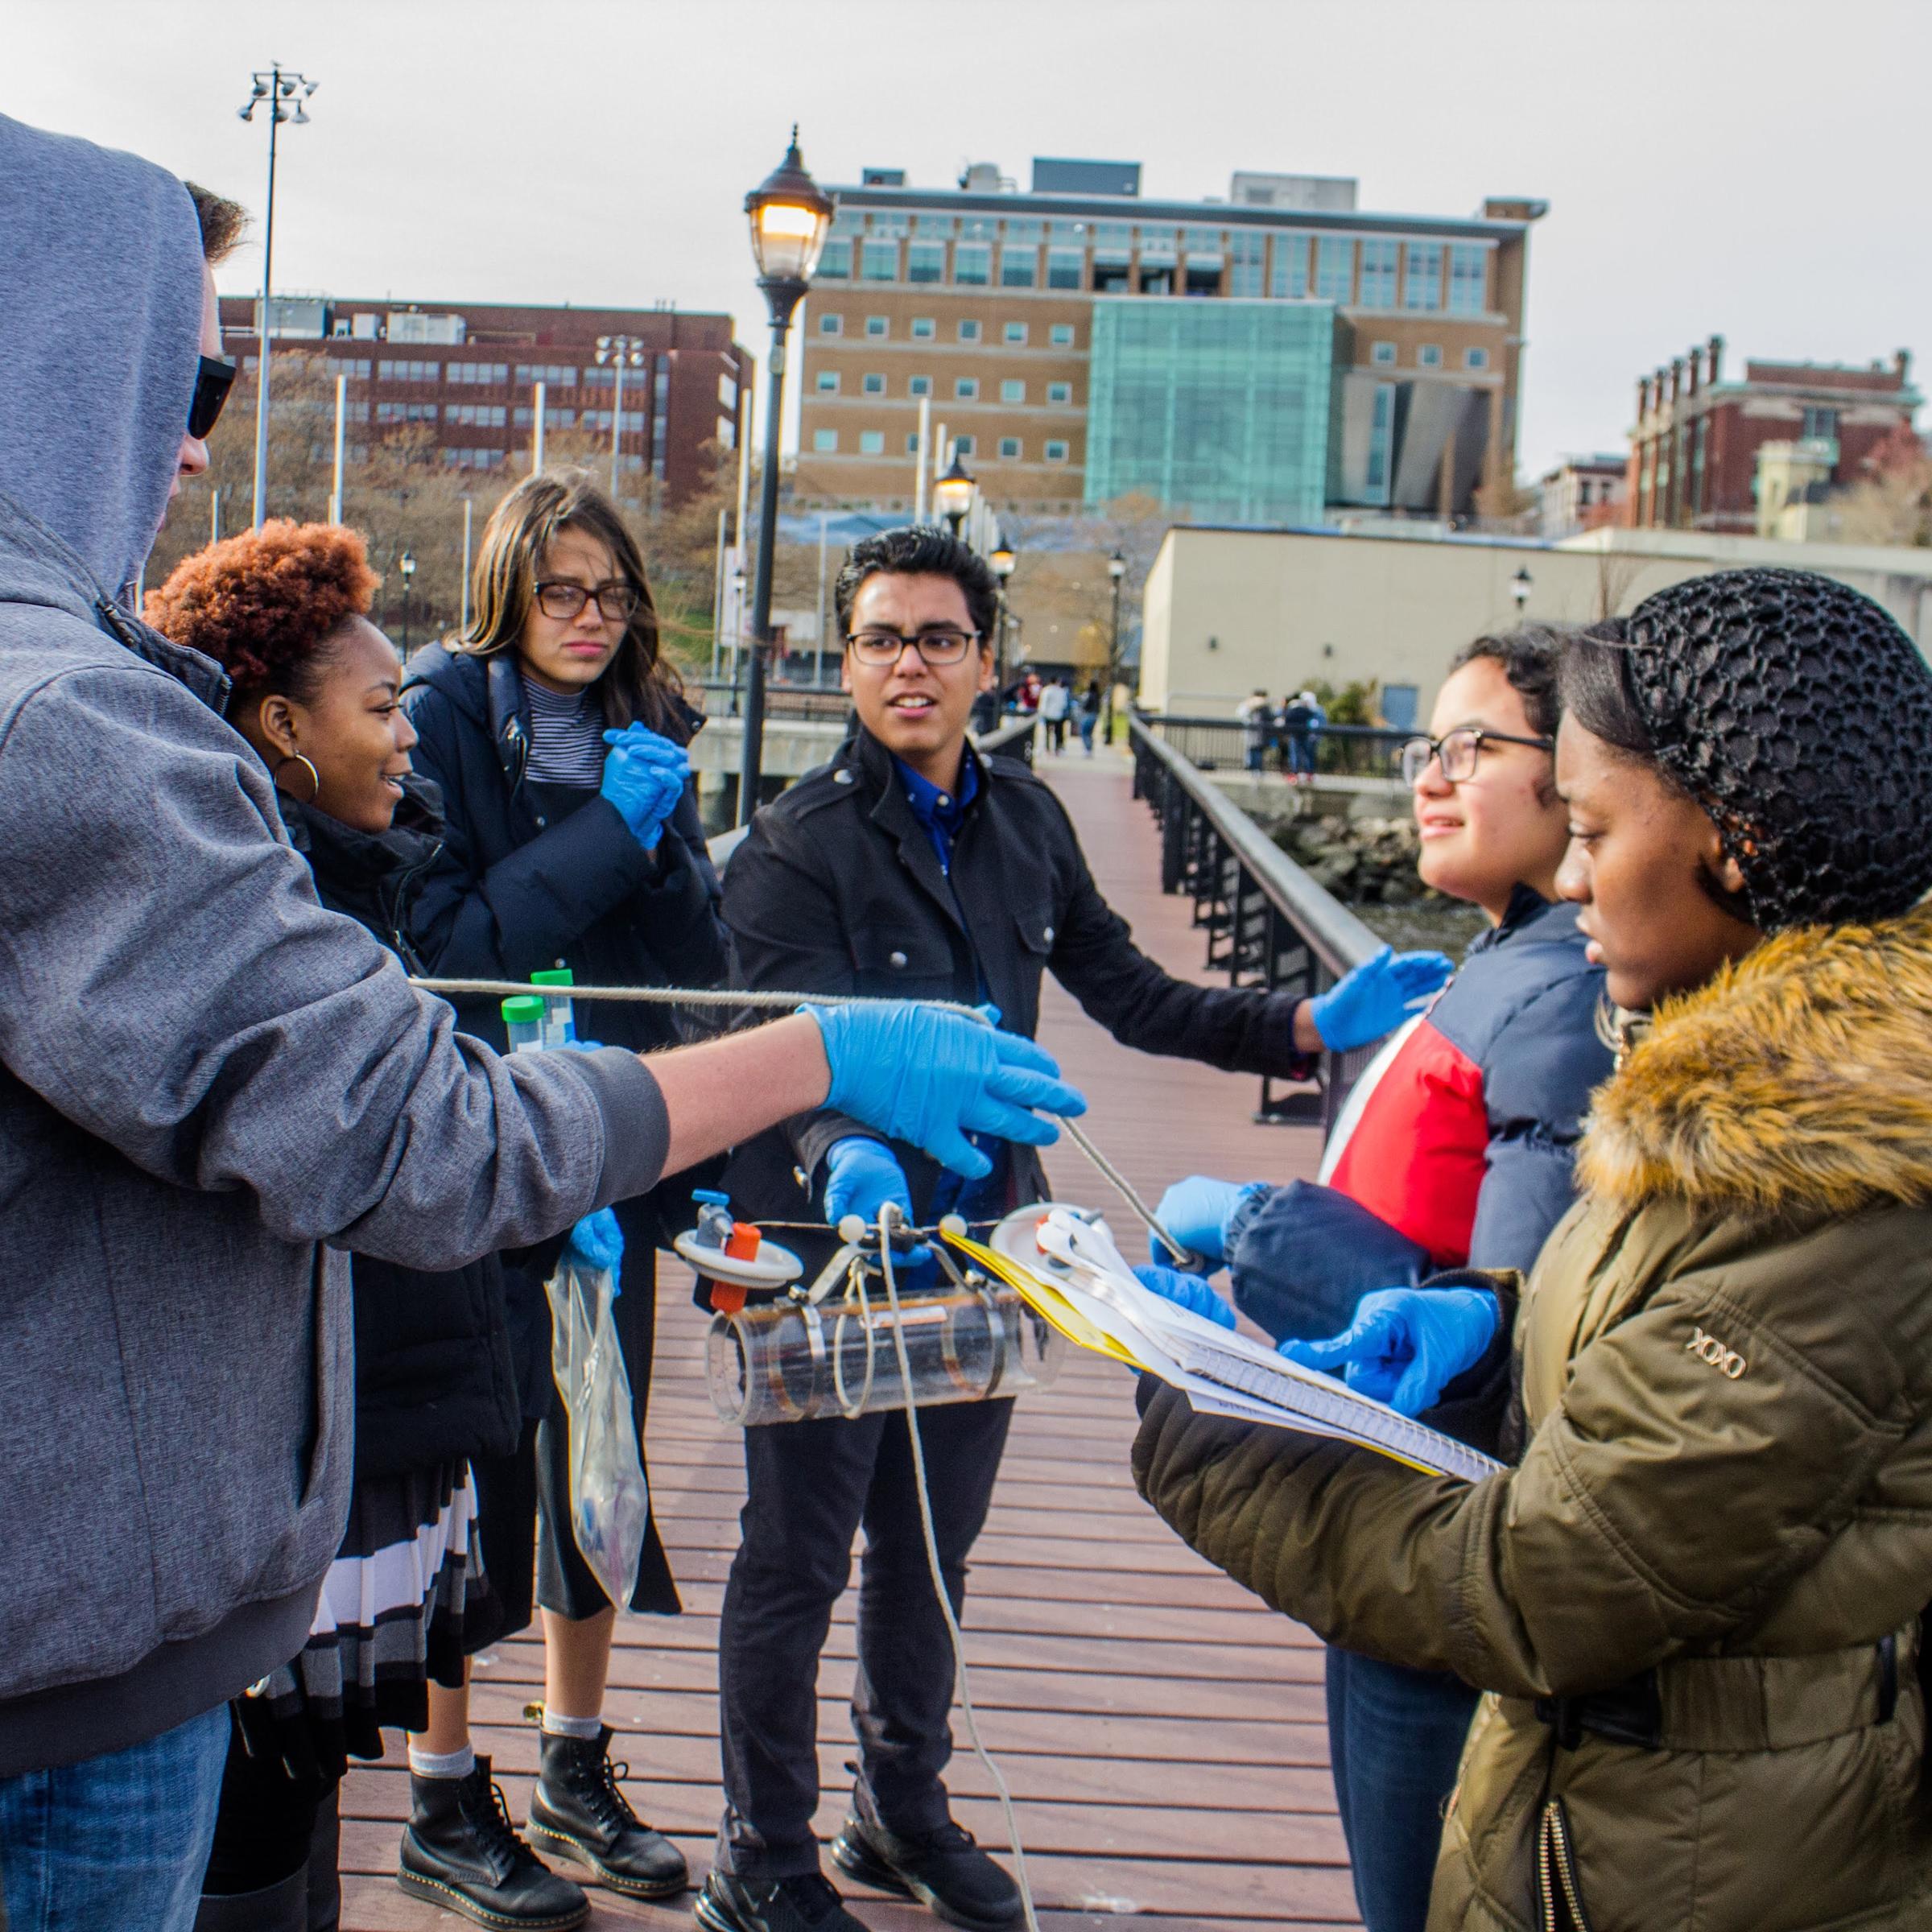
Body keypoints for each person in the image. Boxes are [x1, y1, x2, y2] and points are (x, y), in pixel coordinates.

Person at [0, 118, 1084, 1932]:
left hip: (527, 1225)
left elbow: (679, 951)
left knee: (590, 1489)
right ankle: (482, 1796)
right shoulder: (73, 723)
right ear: (57, 350)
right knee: (481, 1514)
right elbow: (406, 1084)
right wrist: (822, 1058)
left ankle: (593, 1763)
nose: (194, 439)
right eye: (190, 380)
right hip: (78, 1655)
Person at [1134, 568, 1932, 1932]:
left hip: (1709, 1860)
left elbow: (1542, 1582)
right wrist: (1496, 1322)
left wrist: (1206, 1422)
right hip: (1645, 1825)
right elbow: (1682, 1350)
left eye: (1595, 828)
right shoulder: (1756, 1102)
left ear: (1737, 840)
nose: (1569, 877)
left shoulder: (1832, 1190)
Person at [698, 526, 1455, 1932]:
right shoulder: (791, 847)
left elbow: (1133, 993)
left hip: (985, 1239)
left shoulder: (1032, 826)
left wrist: (1303, 1024)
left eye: (938, 637)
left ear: (987, 661)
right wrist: (846, 1149)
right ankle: (762, 1853)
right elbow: (774, 1051)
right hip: (822, 1244)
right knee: (795, 1557)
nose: (909, 664)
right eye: (880, 638)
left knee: (933, 1545)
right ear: (846, 661)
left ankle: (898, 1810)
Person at [1137, 626, 1611, 1932]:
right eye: (1425, 748)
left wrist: (1253, 1227)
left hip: (1447, 1538)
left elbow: (1515, 1331)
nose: (1431, 777)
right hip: (1393, 1505)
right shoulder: (1508, 963)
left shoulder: (1562, 997)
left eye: (1473, 746)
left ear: (1577, 770)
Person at [147, 519, 581, 1931]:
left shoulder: (350, 880)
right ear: (282, 727)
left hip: (372, 1417)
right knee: (260, 1807)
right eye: (383, 709)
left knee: (300, 1786)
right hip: (307, 1449)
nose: (408, 738)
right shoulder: (275, 918)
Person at [398, 468, 733, 1913]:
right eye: (561, 591)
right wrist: (607, 832)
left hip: (604, 1145)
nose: (591, 617)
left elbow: (699, 969)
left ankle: (573, 1763)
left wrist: (655, 840)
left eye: (613, 592)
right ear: (508, 590)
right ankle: (441, 1790)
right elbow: (447, 947)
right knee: (469, 1471)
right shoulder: (438, 714)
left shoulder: (647, 719)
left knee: (599, 1459)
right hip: (471, 1143)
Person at [1281, 687, 1322, 782]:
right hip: (1302, 736)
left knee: (1304, 755)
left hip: (1304, 736)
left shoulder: (1314, 711)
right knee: (1302, 754)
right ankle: (1302, 773)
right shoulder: (1308, 711)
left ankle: (1304, 774)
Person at [1236, 687, 1270, 771]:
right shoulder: (1248, 705)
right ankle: (1252, 767)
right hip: (1252, 733)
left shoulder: (1265, 707)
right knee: (1252, 750)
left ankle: (1255, 768)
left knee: (1257, 751)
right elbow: (1242, 714)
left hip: (1260, 734)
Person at [1038, 671, 1071, 752]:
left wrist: (1042, 713)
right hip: (1058, 715)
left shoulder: (1046, 690)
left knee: (1047, 733)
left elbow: (1043, 703)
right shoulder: (1061, 691)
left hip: (1047, 714)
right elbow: (1064, 704)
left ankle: (1047, 748)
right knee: (1058, 732)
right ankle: (1057, 749)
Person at [1075, 676, 1101, 754]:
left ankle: (1088, 749)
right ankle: (1089, 748)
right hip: (1095, 715)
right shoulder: (1097, 695)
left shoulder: (1089, 695)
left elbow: (1086, 705)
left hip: (1088, 715)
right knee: (1089, 733)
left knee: (1084, 732)